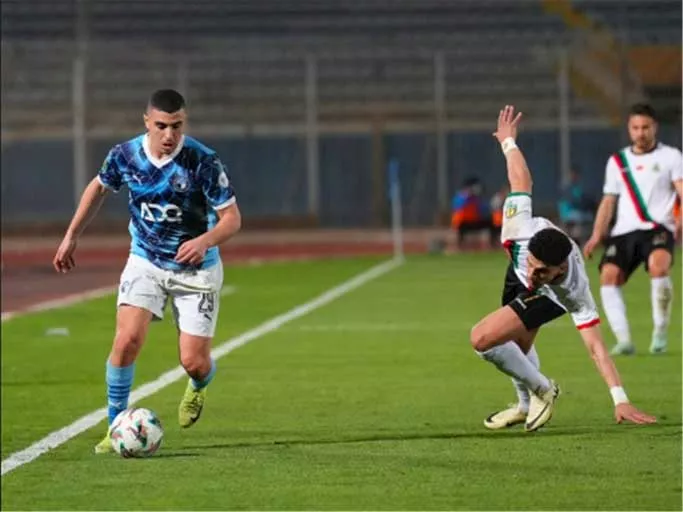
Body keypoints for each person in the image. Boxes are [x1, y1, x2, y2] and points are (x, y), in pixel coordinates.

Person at [53, 89, 242, 453]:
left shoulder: (202, 160)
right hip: (146, 261)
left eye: (176, 126)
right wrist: (71, 235)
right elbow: (98, 187)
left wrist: (204, 241)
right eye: (161, 126)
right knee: (126, 341)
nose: (169, 134)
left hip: (195, 271)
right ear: (147, 122)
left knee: (194, 362)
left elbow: (232, 219)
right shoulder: (125, 155)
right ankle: (115, 427)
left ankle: (199, 384)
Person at [470, 105, 656, 432]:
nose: (535, 274)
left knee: (483, 338)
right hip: (515, 272)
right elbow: (521, 179)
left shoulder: (572, 289)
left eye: (542, 271)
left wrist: (620, 399)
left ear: (558, 270)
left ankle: (543, 389)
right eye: (533, 265)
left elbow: (596, 347)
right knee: (518, 345)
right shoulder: (518, 230)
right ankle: (524, 405)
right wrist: (508, 142)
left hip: (549, 297)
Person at [583, 103, 682, 355]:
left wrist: (680, 221)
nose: (640, 133)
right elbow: (608, 201)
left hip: (659, 227)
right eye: (635, 128)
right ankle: (624, 340)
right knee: (608, 275)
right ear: (629, 129)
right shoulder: (617, 161)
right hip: (624, 231)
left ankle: (660, 332)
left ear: (655, 127)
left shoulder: (671, 157)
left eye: (645, 127)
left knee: (659, 266)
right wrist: (596, 234)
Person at [450, 177, 495, 248]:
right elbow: (457, 206)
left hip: (475, 221)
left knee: (491, 222)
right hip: (463, 222)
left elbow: (484, 209)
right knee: (461, 229)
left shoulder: (476, 198)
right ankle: (460, 245)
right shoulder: (460, 197)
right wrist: (466, 197)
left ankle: (493, 244)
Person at [558, 168, 595, 244]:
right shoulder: (566, 189)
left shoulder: (580, 188)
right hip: (569, 216)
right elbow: (567, 203)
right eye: (572, 175)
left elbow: (586, 202)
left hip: (580, 215)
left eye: (576, 175)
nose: (574, 176)